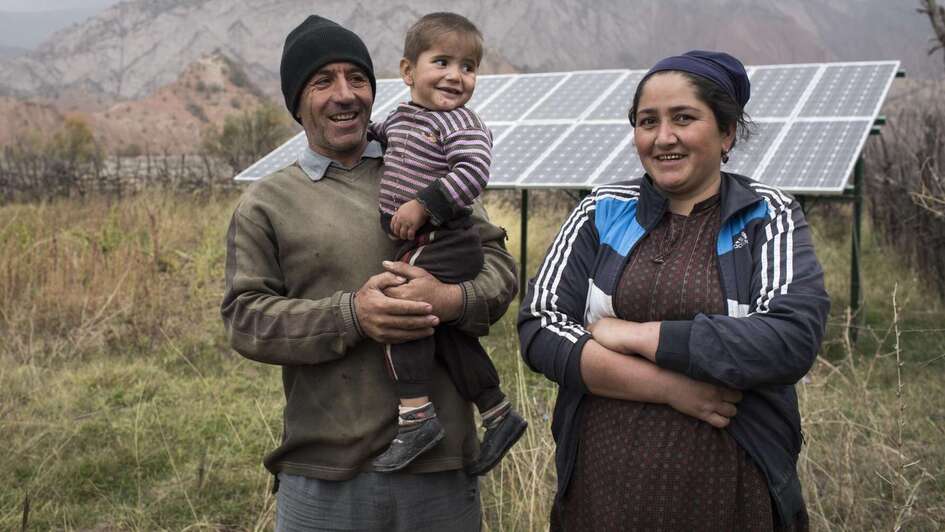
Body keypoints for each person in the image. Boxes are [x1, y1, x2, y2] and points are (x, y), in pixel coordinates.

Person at [221, 14, 517, 531]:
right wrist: (352, 315)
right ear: (297, 102)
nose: (345, 94)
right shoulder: (267, 203)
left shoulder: (426, 165)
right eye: (323, 81)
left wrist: (446, 300)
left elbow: (497, 269)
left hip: (439, 474)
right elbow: (246, 320)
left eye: (357, 79)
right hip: (323, 475)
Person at [518, 50, 830, 530]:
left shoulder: (769, 215)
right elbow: (539, 326)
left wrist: (635, 335)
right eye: (648, 122)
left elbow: (789, 339)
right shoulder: (602, 210)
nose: (664, 138)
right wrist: (669, 389)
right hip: (602, 493)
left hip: (732, 494)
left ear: (726, 133)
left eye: (684, 118)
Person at [368, 12, 526, 474]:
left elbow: (473, 172)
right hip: (425, 237)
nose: (456, 76)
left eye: (468, 67)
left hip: (445, 236)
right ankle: (497, 412)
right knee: (446, 332)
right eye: (442, 62)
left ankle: (415, 416)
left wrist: (423, 204)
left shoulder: (460, 123)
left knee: (401, 307)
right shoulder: (402, 117)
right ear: (407, 72)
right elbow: (376, 139)